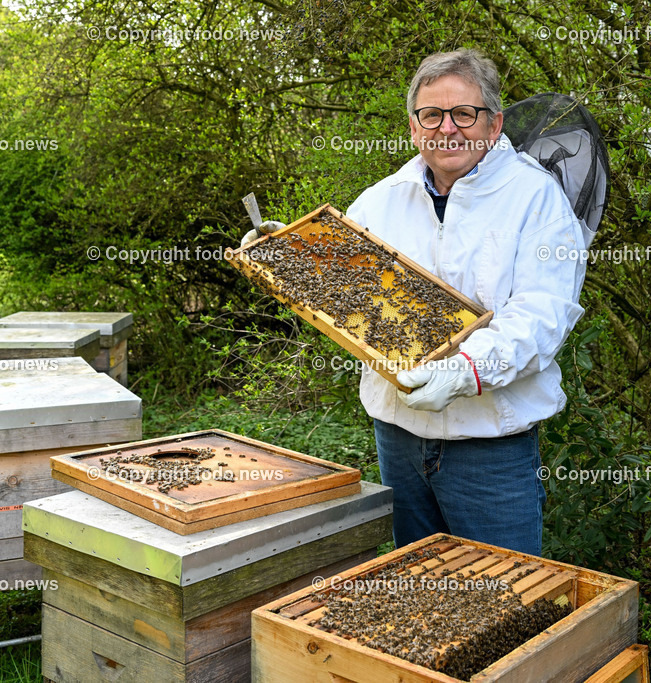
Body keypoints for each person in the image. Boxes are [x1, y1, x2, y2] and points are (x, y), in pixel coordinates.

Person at [243, 49, 587, 556]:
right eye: (432, 115)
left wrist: (466, 369)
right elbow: (348, 290)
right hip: (397, 439)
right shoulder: (381, 199)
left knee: (500, 604)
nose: (447, 129)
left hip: (490, 446)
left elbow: (543, 315)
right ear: (413, 126)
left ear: (493, 125)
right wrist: (291, 252)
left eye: (463, 114)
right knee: (423, 598)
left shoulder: (536, 199)